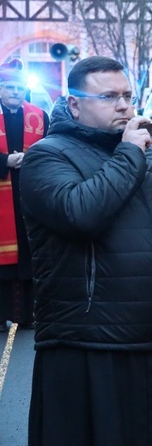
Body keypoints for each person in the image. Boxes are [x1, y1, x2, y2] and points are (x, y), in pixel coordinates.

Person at [19, 56, 152, 445]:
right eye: (108, 97)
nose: (123, 105)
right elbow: (81, 214)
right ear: (74, 104)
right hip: (87, 342)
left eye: (127, 96)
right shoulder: (48, 155)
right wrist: (130, 154)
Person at [0, 59, 48, 332]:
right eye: (10, 87)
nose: (16, 92)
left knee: (29, 259)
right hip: (2, 198)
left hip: (29, 196)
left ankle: (27, 316)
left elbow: (53, 148)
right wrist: (4, 161)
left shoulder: (39, 116)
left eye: (20, 87)